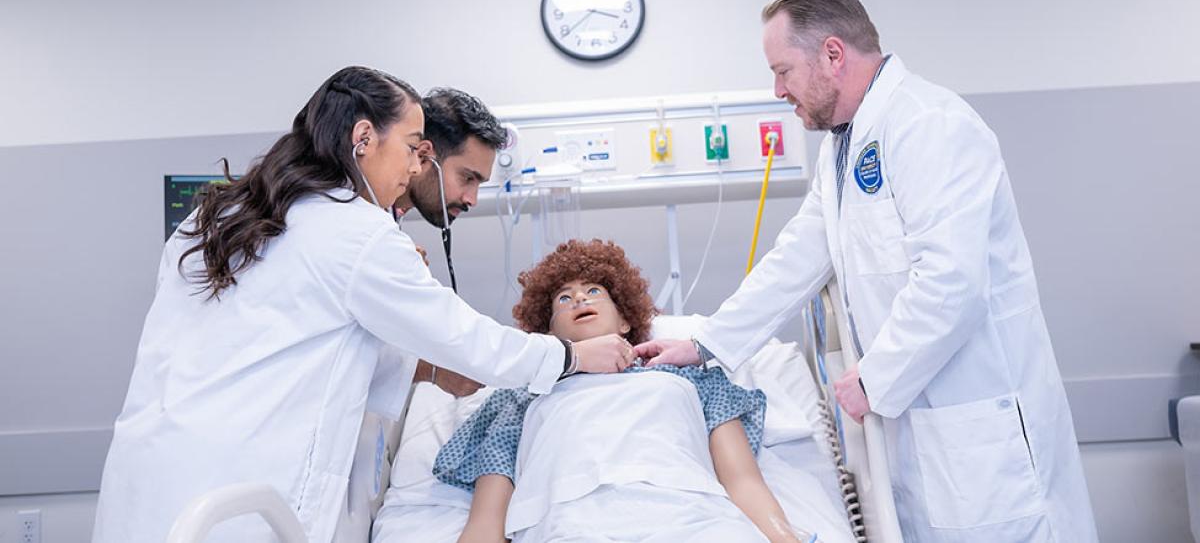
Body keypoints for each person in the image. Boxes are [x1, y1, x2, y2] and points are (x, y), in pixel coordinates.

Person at [92, 66, 636, 543]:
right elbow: (469, 342)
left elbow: (295, 339)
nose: (415, 167)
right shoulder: (357, 233)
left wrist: (423, 368)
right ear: (363, 139)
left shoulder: (215, 215)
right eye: (412, 148)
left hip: (152, 475)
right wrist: (569, 356)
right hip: (248, 488)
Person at [635, 0, 1097, 541]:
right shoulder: (841, 147)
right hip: (920, 435)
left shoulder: (931, 125)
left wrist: (874, 380)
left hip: (979, 430)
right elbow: (797, 258)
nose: (777, 89)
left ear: (832, 54)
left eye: (783, 70)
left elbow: (953, 284)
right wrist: (707, 342)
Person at [430, 239, 811, 543]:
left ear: (627, 320)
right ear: (548, 335)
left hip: (695, 518)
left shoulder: (691, 378)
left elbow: (742, 480)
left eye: (594, 291)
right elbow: (487, 521)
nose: (579, 299)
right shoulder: (521, 397)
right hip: (571, 525)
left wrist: (783, 537)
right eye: (563, 299)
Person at [394, 87, 509, 399]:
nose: (472, 199)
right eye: (467, 178)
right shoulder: (368, 229)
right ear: (424, 155)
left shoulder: (390, 226)